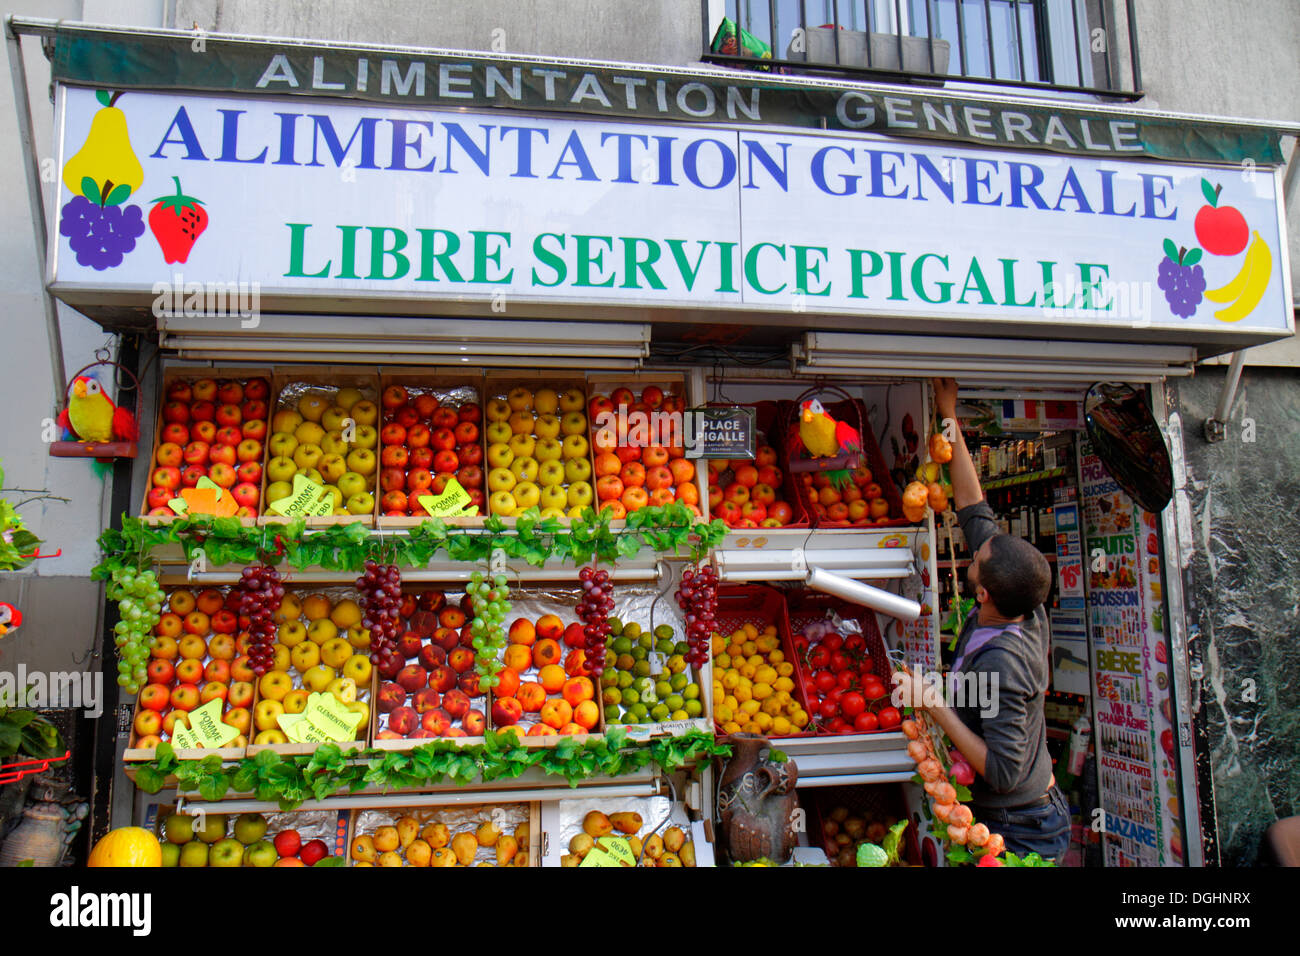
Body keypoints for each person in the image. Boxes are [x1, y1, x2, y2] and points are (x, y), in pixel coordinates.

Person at [893, 377, 1071, 864]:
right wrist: (948, 415)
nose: (976, 545)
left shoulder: (1005, 664)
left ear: (984, 590)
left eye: (977, 557)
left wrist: (933, 705)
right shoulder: (1023, 601)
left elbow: (1004, 770)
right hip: (1016, 814)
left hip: (1020, 827)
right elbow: (974, 507)